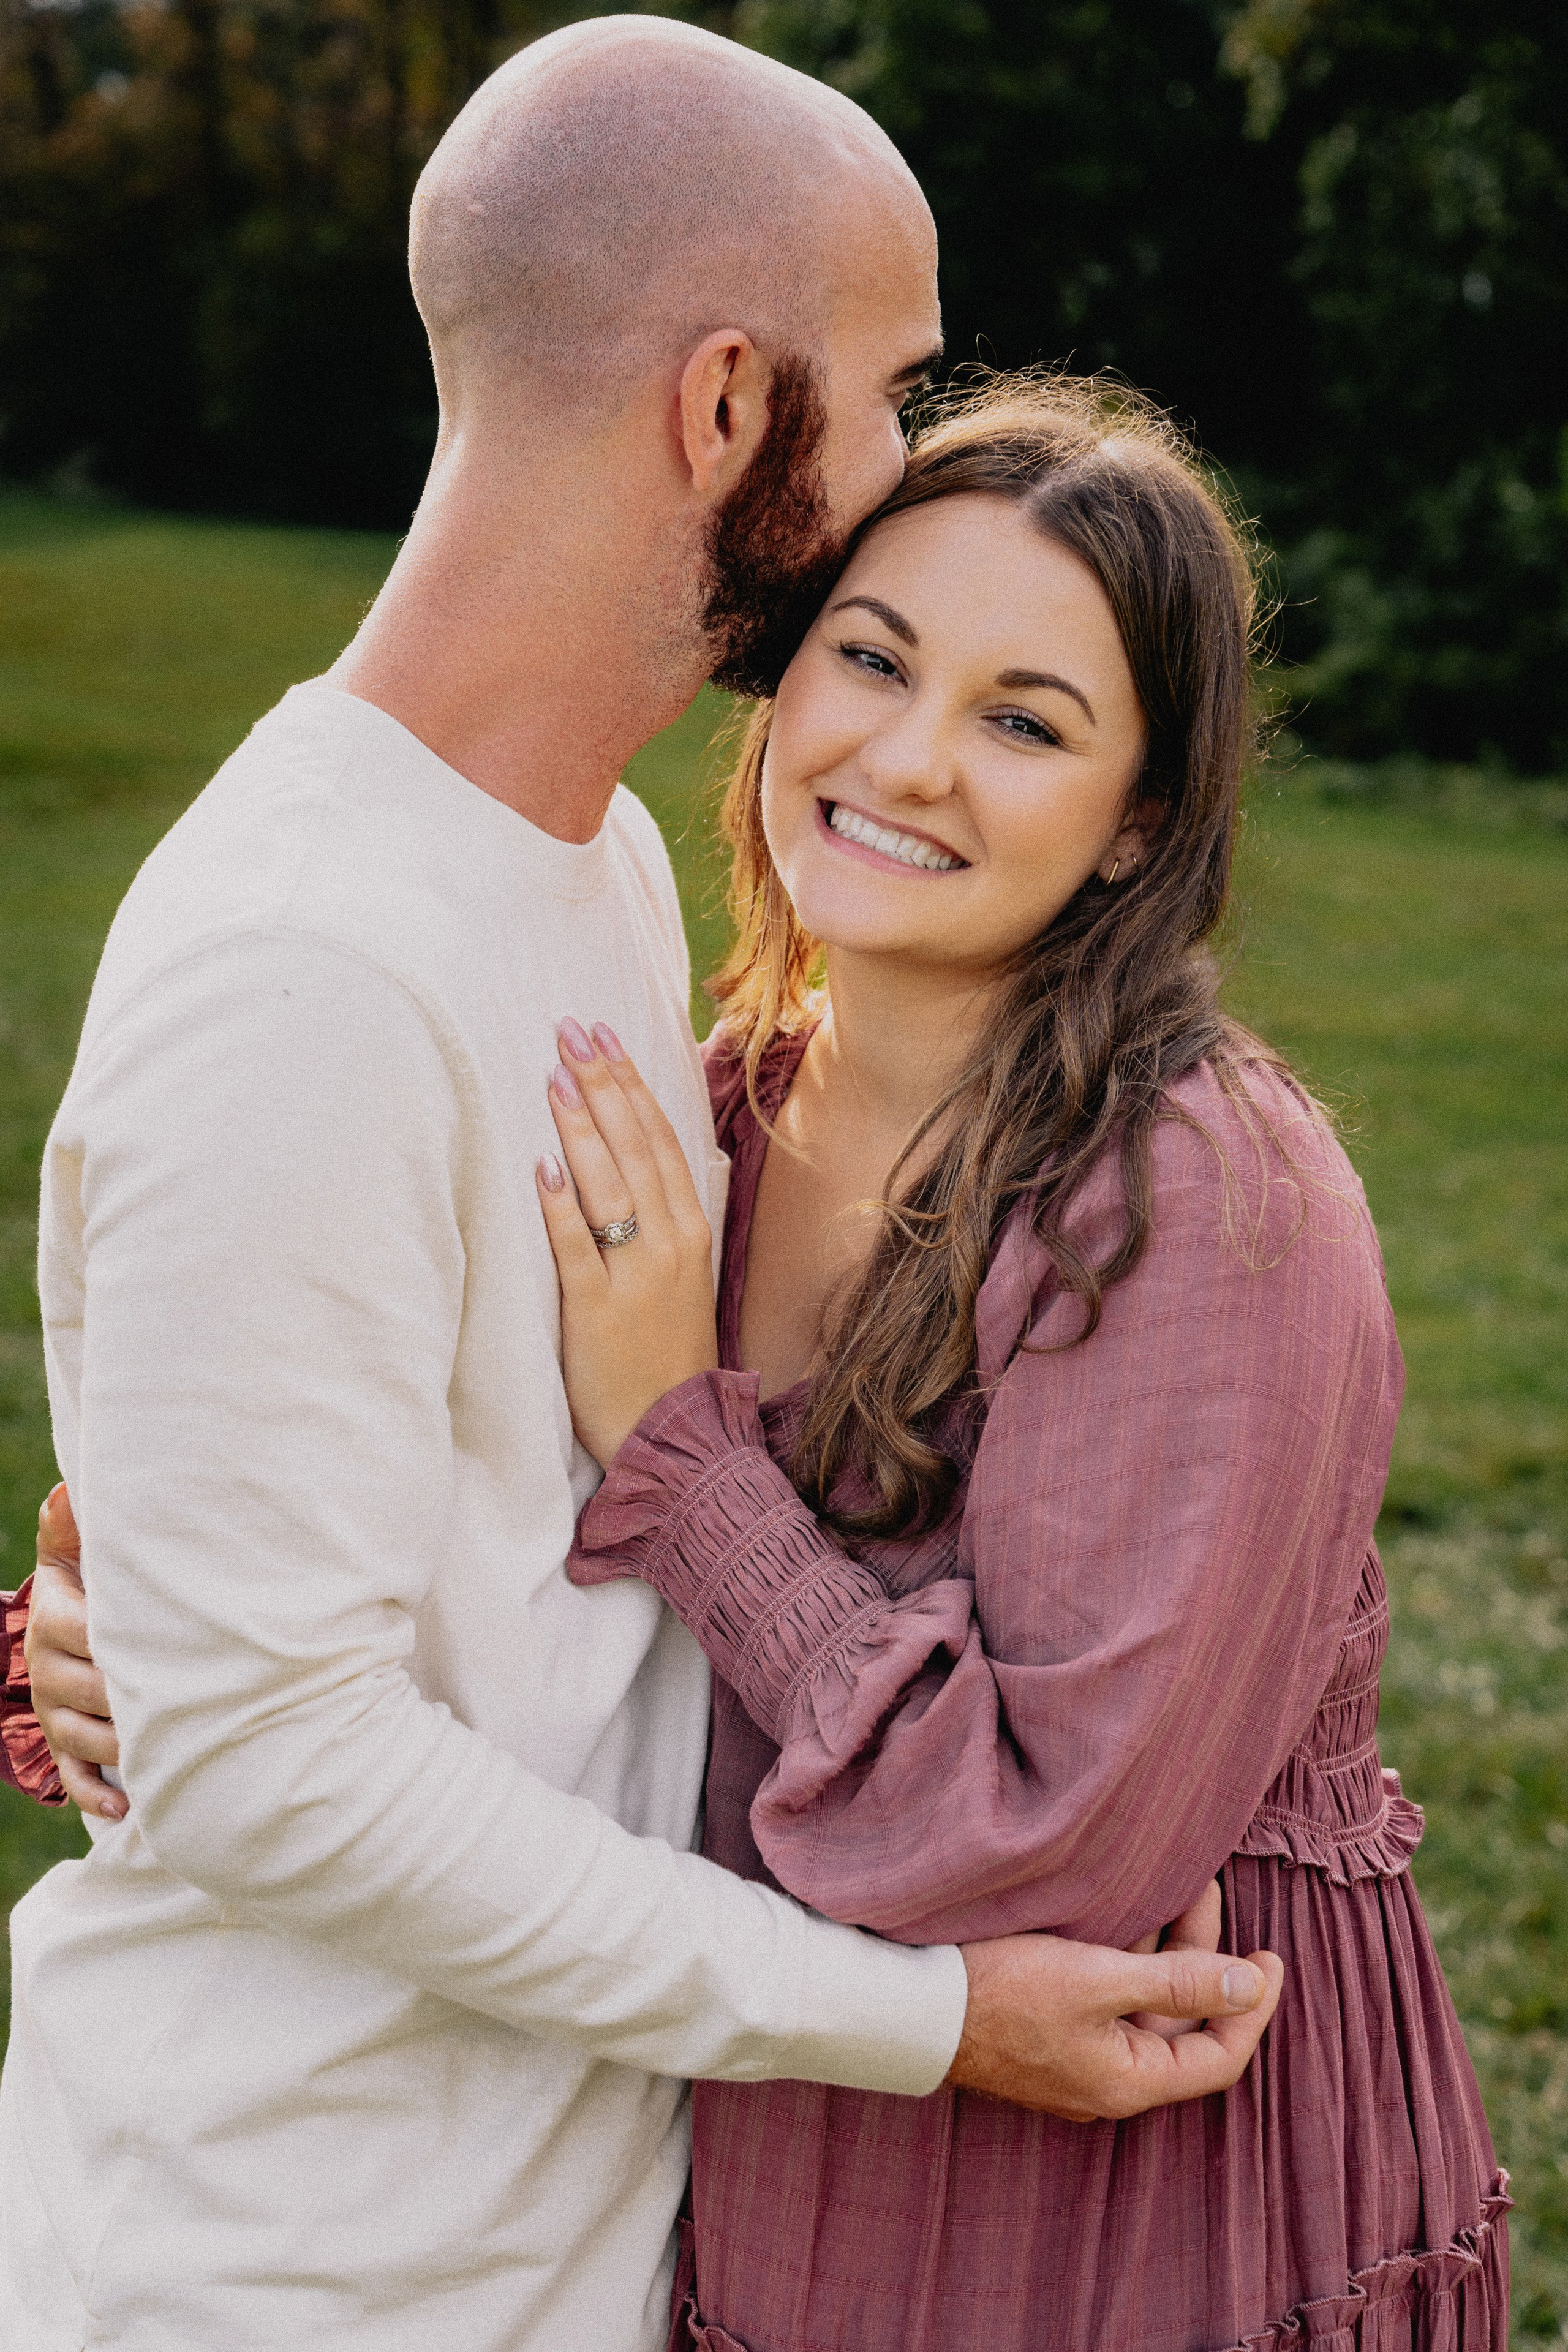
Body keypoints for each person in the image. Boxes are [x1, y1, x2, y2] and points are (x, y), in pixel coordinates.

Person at [0, 28, 1281, 2352]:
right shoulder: (297, 965)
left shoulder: (586, 858)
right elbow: (276, 1766)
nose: (905, 459)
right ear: (723, 408)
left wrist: (126, 1648)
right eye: (889, 389)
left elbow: (433, 1572)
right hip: (292, 2274)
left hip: (570, 2230)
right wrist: (923, 2017)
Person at [518, 379, 1508, 2348]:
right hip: (783, 2131)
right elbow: (442, 1520)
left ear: (1141, 819)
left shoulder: (1196, 1203)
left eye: (1025, 719)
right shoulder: (698, 1120)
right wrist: (137, 1640)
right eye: (870, 659)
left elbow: (1036, 1848)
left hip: (1135, 2192)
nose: (905, 756)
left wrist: (675, 1447)